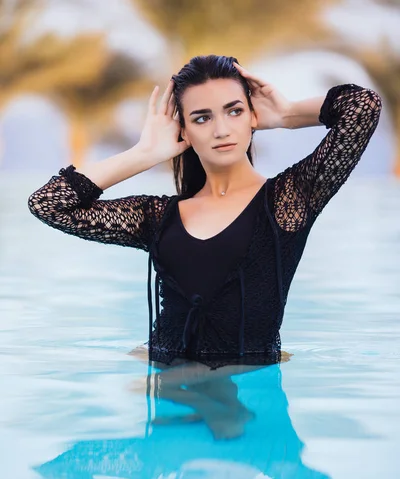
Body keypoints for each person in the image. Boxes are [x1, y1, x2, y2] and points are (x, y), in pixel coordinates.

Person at [28, 54, 382, 379]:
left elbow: (362, 106)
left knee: (220, 411)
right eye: (202, 117)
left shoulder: (288, 201)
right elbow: (49, 204)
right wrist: (144, 153)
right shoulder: (158, 216)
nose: (221, 130)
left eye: (234, 111)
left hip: (243, 397)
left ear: (252, 117)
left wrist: (287, 115)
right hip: (166, 392)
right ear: (183, 130)